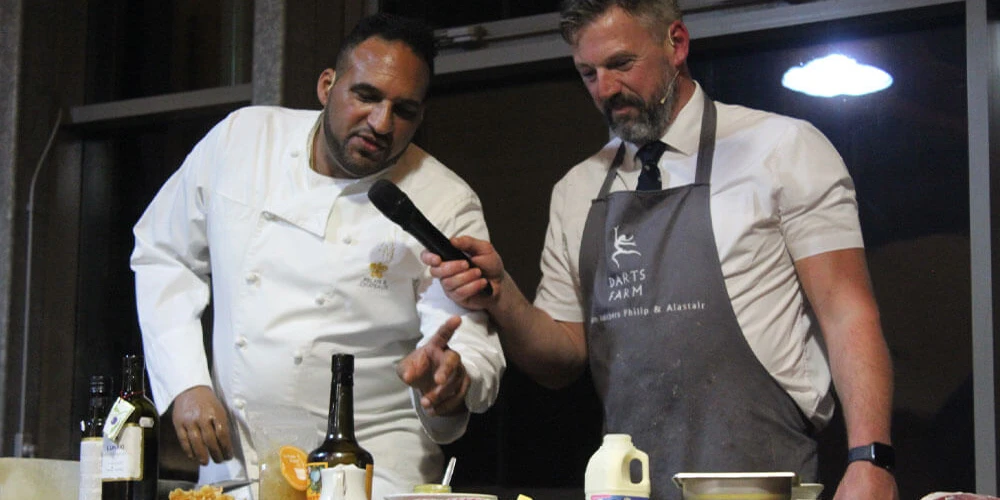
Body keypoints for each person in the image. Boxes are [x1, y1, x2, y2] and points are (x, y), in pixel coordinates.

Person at [421, 1, 898, 499]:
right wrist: (500, 294)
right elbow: (560, 356)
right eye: (588, 73)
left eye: (621, 64)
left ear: (677, 43)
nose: (604, 89)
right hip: (628, 487)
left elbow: (847, 312)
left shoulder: (782, 149)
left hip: (761, 480)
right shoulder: (577, 189)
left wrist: (872, 459)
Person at [130, 13, 505, 500]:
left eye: (404, 110)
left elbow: (469, 347)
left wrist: (450, 379)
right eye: (366, 96)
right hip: (236, 466)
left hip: (372, 477)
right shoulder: (242, 141)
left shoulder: (444, 202)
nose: (381, 123)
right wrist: (184, 381)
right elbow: (164, 253)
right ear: (327, 85)